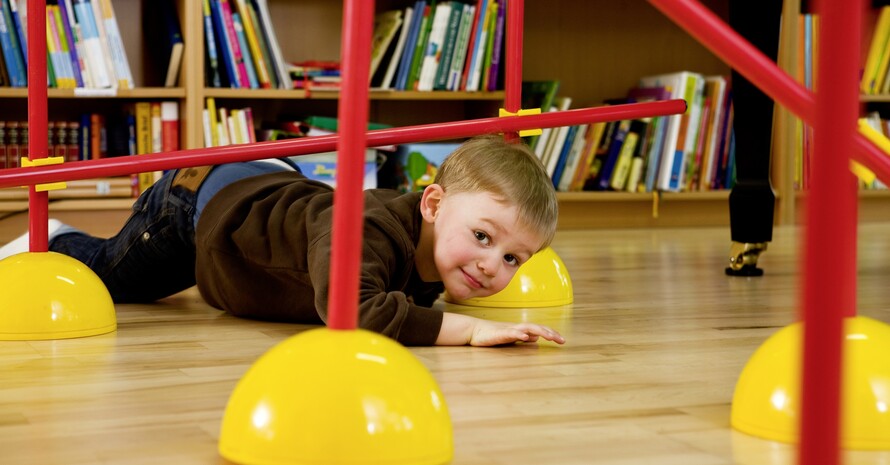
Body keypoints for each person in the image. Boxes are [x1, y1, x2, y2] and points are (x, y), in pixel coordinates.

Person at [0, 135, 565, 347]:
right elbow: (351, 310)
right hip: (198, 201)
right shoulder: (366, 232)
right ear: (434, 205)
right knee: (114, 280)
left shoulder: (435, 250)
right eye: (484, 237)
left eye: (514, 257)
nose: (494, 265)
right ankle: (56, 238)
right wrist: (468, 331)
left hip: (271, 183)